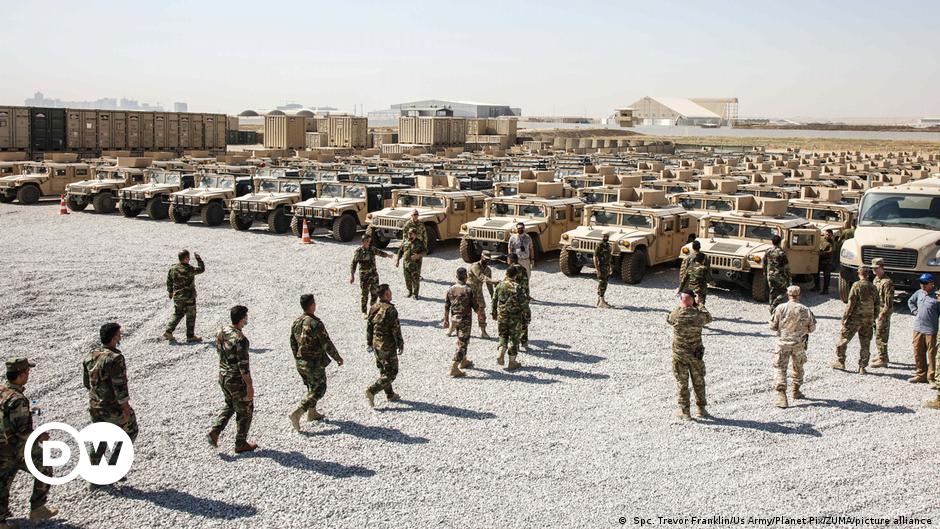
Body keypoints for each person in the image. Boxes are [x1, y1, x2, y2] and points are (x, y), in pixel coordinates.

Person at [0, 358, 58, 525]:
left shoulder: (2, 391)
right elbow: (22, 432)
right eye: (27, 371)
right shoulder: (18, 399)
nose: (28, 374)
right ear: (20, 374)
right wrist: (40, 436)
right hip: (14, 449)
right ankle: (37, 507)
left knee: (2, 482)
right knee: (45, 465)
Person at [83, 323, 138, 464]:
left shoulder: (90, 355)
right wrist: (125, 408)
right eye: (119, 334)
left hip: (95, 405)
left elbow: (86, 383)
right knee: (131, 430)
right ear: (114, 337)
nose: (120, 336)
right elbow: (120, 386)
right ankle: (115, 466)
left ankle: (94, 475)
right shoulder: (115, 358)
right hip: (113, 407)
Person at [289, 294, 344, 430]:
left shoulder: (297, 322)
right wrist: (337, 357)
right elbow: (327, 343)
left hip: (300, 362)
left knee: (311, 387)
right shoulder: (315, 323)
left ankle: (312, 413)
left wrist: (297, 358)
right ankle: (298, 412)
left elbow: (292, 343)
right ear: (312, 305)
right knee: (319, 389)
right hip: (313, 363)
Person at [207, 305, 256, 454]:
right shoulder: (241, 339)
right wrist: (249, 386)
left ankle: (215, 430)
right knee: (246, 409)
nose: (247, 319)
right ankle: (240, 443)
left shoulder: (222, 331)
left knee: (230, 404)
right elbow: (243, 367)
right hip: (236, 379)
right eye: (246, 316)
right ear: (242, 319)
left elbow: (219, 351)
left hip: (223, 376)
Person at [666, 290, 713, 420]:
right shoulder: (699, 315)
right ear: (693, 300)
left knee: (682, 383)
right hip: (695, 354)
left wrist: (683, 304)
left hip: (679, 355)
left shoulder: (676, 315)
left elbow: (669, 319)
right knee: (699, 381)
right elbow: (709, 317)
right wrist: (700, 305)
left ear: (681, 300)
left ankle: (685, 412)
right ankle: (701, 409)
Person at [769, 286, 817, 408]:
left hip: (782, 344)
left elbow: (773, 326)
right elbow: (812, 328)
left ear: (788, 294)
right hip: (798, 344)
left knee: (780, 368)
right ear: (799, 295)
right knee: (798, 367)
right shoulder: (805, 309)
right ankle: (796, 390)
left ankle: (781, 396)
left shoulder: (781, 308)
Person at [832, 266, 879, 374]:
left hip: (855, 318)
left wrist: (845, 317)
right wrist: (874, 317)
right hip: (868, 319)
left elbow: (851, 303)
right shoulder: (873, 287)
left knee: (843, 340)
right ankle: (862, 367)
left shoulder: (856, 285)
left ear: (859, 274)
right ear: (868, 274)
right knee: (865, 343)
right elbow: (877, 304)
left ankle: (840, 361)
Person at [365, 284, 404, 407]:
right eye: (390, 292)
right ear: (386, 294)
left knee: (383, 369)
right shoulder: (391, 310)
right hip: (387, 345)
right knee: (392, 372)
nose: (391, 293)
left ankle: (390, 394)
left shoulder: (373, 307)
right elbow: (396, 329)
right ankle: (372, 390)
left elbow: (369, 326)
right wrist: (400, 343)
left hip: (376, 343)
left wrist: (369, 342)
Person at [163, 249, 205, 343]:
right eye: (188, 258)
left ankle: (168, 331)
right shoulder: (189, 269)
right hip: (189, 296)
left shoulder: (173, 268)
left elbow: (169, 281)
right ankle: (190, 336)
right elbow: (202, 269)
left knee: (178, 313)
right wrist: (199, 259)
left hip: (177, 296)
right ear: (186, 258)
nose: (189, 259)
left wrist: (170, 292)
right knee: (191, 315)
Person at [443, 268, 479, 377]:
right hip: (465, 320)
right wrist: (481, 315)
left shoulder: (450, 289)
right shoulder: (468, 290)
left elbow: (446, 306)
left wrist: (446, 320)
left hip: (455, 319)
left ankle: (464, 361)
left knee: (460, 339)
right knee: (463, 343)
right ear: (466, 277)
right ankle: (454, 366)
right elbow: (475, 306)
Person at [350, 234, 393, 318]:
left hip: (373, 276)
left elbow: (380, 253)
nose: (369, 243)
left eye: (370, 241)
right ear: (363, 242)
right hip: (364, 277)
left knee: (375, 294)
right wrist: (352, 275)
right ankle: (364, 312)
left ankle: (373, 310)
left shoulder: (372, 249)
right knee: (364, 294)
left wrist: (388, 255)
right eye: (367, 241)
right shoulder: (358, 252)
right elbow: (354, 263)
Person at [492, 266, 526, 371]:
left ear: (506, 274)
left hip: (502, 316)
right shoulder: (518, 287)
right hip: (514, 318)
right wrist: (526, 315)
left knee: (503, 335)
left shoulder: (500, 285)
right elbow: (524, 303)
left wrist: (494, 312)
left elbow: (494, 300)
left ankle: (501, 351)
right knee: (514, 339)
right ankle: (512, 362)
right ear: (515, 275)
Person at [907, 273, 938, 385]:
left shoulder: (937, 296)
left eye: (925, 283)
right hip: (918, 329)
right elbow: (910, 301)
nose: (922, 285)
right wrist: (914, 311)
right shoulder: (918, 293)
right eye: (921, 282)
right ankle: (920, 375)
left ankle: (932, 378)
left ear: (931, 284)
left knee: (932, 355)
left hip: (931, 330)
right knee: (918, 352)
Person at [870, 258, 894, 368]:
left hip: (882, 313)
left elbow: (888, 303)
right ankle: (881, 355)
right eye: (873, 269)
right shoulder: (876, 280)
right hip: (876, 311)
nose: (874, 271)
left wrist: (883, 314)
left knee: (881, 335)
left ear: (882, 267)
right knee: (877, 334)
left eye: (876, 269)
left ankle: (883, 359)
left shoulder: (887, 282)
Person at [506, 253, 531, 350]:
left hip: (514, 298)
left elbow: (508, 284)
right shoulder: (523, 269)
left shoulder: (511, 269)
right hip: (524, 297)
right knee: (524, 320)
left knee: (514, 320)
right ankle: (524, 341)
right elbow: (526, 283)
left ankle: (514, 343)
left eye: (508, 259)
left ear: (510, 260)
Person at [467, 251, 495, 338]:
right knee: (462, 311)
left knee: (481, 311)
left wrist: (492, 295)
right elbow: (481, 277)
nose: (487, 261)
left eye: (488, 259)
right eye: (485, 259)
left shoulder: (488, 270)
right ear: (481, 257)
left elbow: (489, 284)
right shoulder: (475, 266)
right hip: (468, 292)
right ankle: (453, 328)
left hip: (478, 293)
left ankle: (483, 331)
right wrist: (493, 281)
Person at [396, 228, 426, 299]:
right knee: (407, 279)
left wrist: (418, 255)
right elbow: (400, 251)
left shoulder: (419, 243)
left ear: (415, 234)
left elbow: (425, 252)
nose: (409, 235)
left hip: (415, 265)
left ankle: (415, 294)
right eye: (409, 233)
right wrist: (397, 260)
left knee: (415, 279)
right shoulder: (405, 241)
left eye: (411, 233)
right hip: (406, 264)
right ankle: (409, 291)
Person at [765, 235, 790, 313]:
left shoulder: (768, 251)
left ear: (772, 242)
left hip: (770, 275)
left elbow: (764, 263)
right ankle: (774, 305)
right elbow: (786, 267)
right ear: (780, 242)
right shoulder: (782, 253)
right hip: (780, 276)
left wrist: (764, 272)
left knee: (772, 291)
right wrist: (789, 276)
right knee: (784, 292)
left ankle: (771, 308)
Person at [594, 233, 612, 308]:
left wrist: (610, 267)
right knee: (602, 283)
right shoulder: (599, 245)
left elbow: (609, 257)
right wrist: (597, 269)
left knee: (605, 283)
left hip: (606, 267)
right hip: (601, 267)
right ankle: (601, 301)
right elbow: (595, 257)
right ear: (602, 237)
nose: (606, 238)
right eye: (604, 236)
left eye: (607, 236)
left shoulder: (607, 245)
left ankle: (601, 300)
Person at [814, 229, 835, 294]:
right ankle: (817, 286)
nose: (827, 236)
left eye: (829, 235)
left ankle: (825, 290)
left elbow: (831, 252)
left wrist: (822, 253)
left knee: (826, 276)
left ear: (831, 235)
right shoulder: (820, 239)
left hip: (827, 262)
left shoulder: (831, 242)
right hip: (819, 260)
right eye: (826, 234)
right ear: (824, 233)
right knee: (815, 274)